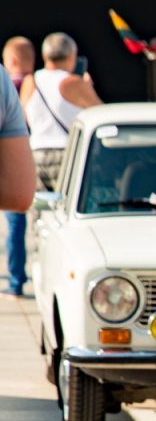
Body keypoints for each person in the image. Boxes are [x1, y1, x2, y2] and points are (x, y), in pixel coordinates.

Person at [19, 33, 100, 193]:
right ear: (72, 56)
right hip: (68, 153)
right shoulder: (74, 83)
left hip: (35, 154)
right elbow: (101, 113)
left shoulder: (30, 81)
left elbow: (23, 118)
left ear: (44, 55)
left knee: (39, 206)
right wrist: (87, 86)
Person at [3, 36, 35, 297]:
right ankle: (19, 278)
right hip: (25, 161)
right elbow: (18, 196)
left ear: (12, 59)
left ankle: (15, 280)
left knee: (15, 225)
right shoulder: (6, 85)